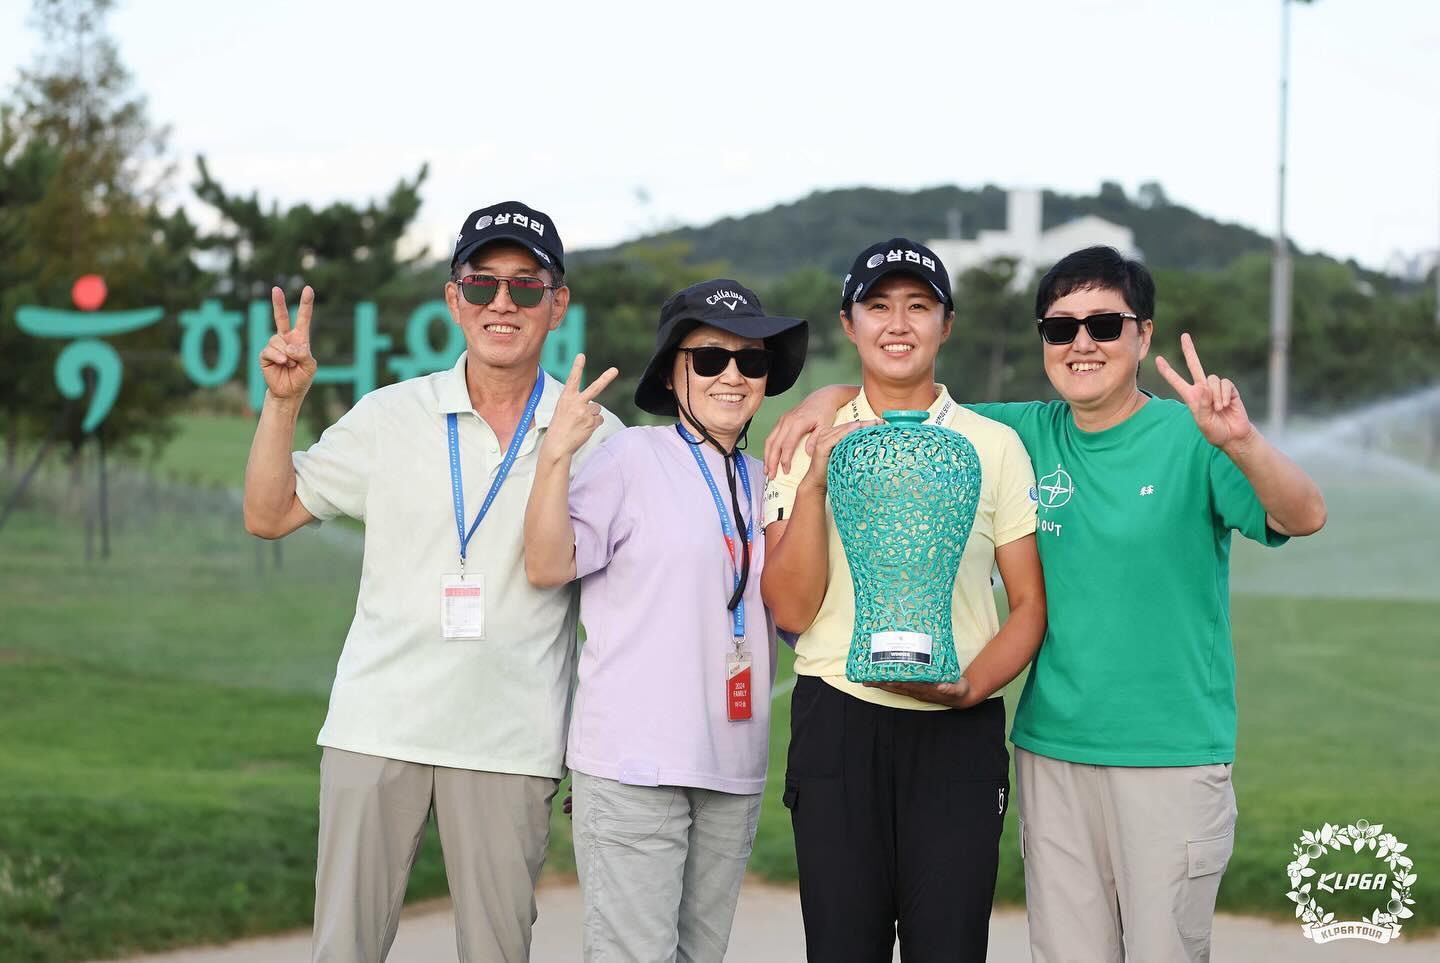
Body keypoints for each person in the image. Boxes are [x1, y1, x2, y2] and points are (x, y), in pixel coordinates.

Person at [766, 245, 1328, 962]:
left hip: (1168, 753)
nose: (1082, 343)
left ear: (1144, 335)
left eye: (1105, 324)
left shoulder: (1192, 436)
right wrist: (823, 400)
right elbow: (902, 385)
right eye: (1062, 328)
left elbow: (1304, 515)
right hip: (1052, 751)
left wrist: (1242, 442)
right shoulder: (1024, 432)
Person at [242, 201, 623, 963]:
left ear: (557, 304)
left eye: (526, 284)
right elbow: (269, 512)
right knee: (343, 950)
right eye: (483, 284)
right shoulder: (390, 414)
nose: (502, 303)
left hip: (511, 737)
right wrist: (283, 403)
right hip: (376, 724)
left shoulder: (594, 433)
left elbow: (619, 611)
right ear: (455, 298)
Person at [760, 238, 1047, 962]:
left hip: (956, 732)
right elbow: (790, 611)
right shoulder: (808, 441)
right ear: (849, 323)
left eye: (919, 306)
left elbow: (1028, 605)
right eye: (878, 306)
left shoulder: (993, 446)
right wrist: (817, 482)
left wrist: (970, 688)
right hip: (838, 720)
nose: (898, 323)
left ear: (946, 325)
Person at [523, 279, 807, 962]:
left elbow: (798, 614)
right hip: (634, 765)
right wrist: (555, 455)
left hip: (733, 766)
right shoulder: (629, 458)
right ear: (672, 371)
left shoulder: (770, 480)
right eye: (709, 358)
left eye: (751, 360)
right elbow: (547, 563)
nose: (732, 375)